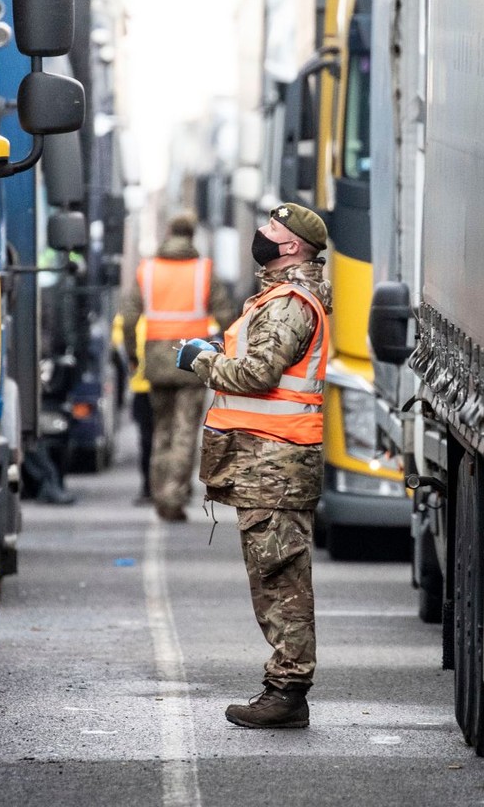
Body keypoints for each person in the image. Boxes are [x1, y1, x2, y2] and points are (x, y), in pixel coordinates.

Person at [176, 202, 332, 728]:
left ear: (290, 246)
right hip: (267, 462)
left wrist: (201, 360)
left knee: (282, 579)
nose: (260, 234)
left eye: (271, 229)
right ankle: (284, 687)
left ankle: (287, 690)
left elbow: (258, 374)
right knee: (274, 576)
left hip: (276, 463)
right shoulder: (277, 296)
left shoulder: (290, 302)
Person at [122, 210, 235, 522]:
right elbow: (226, 315)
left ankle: (159, 492)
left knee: (162, 429)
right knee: (186, 430)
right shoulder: (203, 271)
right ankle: (173, 495)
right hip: (192, 359)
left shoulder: (148, 270)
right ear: (192, 235)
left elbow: (130, 316)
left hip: (157, 360)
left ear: (169, 232)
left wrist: (133, 354)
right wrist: (228, 350)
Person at [111, 312, 153, 503]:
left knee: (148, 440)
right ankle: (165, 488)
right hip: (164, 386)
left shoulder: (129, 318)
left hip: (144, 388)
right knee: (164, 439)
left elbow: (119, 346)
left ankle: (150, 488)